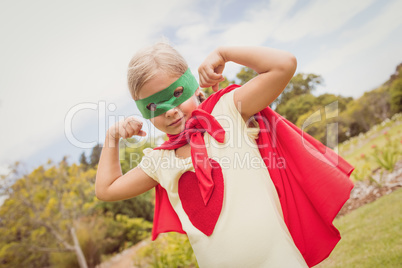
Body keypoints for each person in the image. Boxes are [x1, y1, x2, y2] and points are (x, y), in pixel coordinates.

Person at [95, 42, 354, 267]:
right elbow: (106, 189)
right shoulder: (159, 161)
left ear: (193, 86)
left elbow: (284, 64)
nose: (171, 111)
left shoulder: (228, 110)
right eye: (154, 105)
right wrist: (112, 137)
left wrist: (224, 53)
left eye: (176, 94)